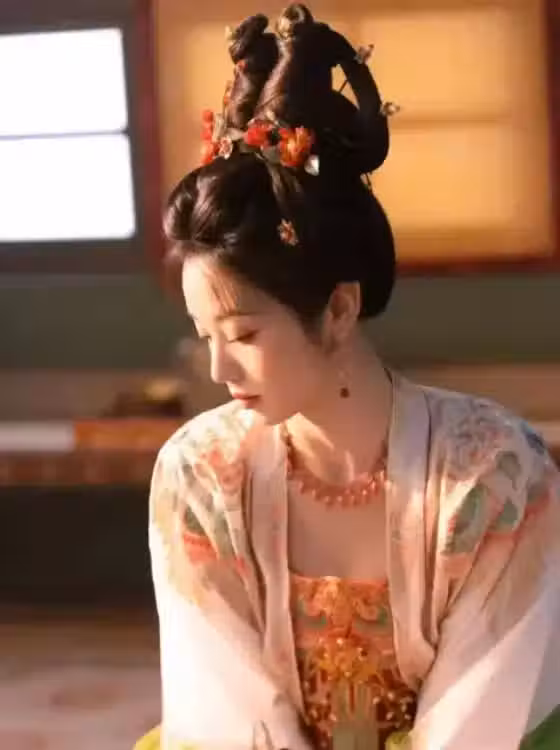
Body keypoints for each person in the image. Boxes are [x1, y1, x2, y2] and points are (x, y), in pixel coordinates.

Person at [136, 5, 560, 749]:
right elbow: (227, 719)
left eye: (243, 334)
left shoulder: (494, 475)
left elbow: (484, 722)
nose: (218, 367)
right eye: (205, 337)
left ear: (338, 309)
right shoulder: (199, 474)